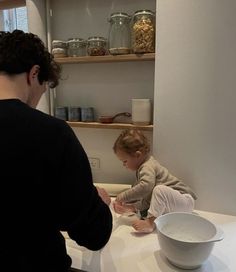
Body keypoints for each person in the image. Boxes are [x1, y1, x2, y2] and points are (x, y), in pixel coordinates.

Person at [0, 30, 112, 272]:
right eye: (44, 88)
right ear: (34, 73)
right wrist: (99, 205)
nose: (40, 97)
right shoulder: (52, 133)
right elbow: (93, 235)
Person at [113, 129, 197, 233]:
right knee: (156, 193)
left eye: (125, 161)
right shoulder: (143, 168)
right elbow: (148, 199)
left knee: (159, 190)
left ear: (138, 155)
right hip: (176, 204)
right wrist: (133, 207)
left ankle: (150, 223)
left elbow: (146, 186)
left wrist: (124, 196)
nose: (124, 165)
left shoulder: (147, 166)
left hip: (184, 201)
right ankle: (144, 216)